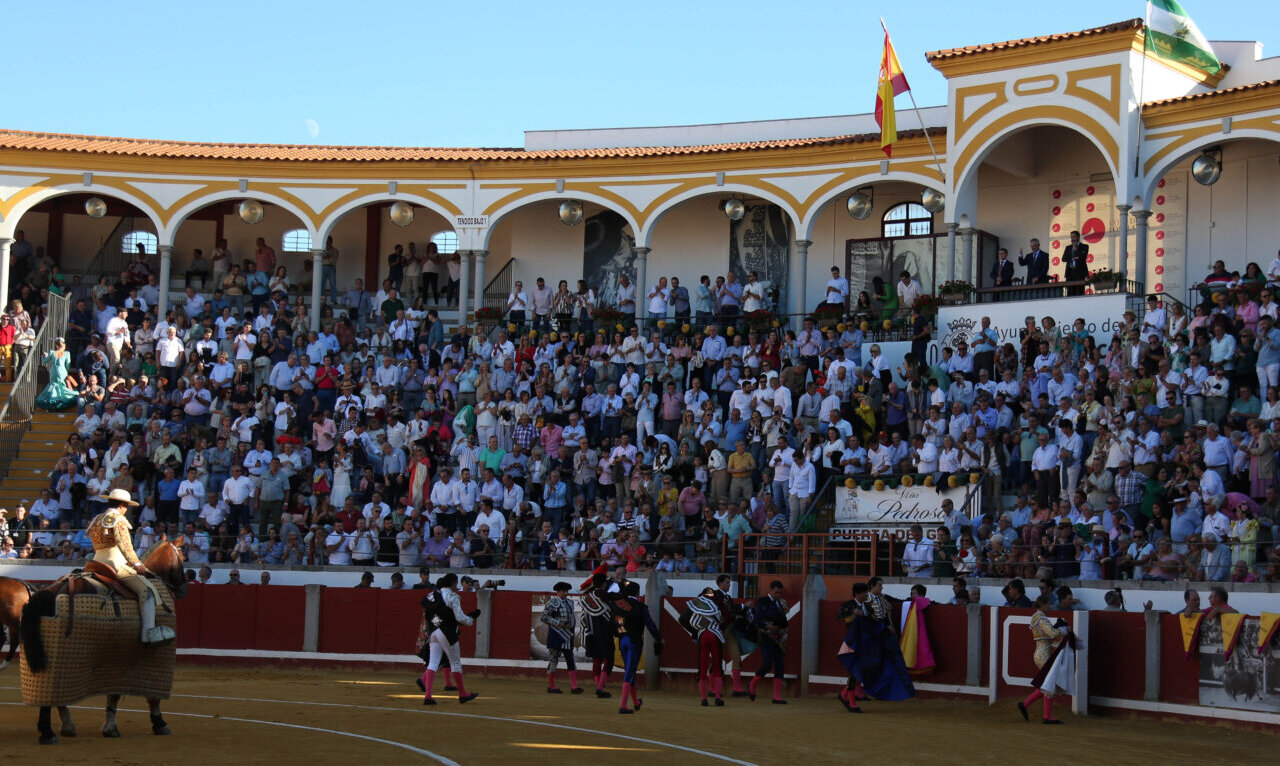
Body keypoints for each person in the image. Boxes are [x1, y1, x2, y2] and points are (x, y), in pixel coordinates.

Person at [85, 489, 177, 646]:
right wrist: (138, 565)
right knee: (147, 590)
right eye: (126, 506)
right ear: (122, 505)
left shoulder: (97, 520)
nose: (127, 510)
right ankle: (148, 633)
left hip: (94, 564)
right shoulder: (118, 520)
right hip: (115, 565)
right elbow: (125, 546)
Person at [418, 573, 481, 704]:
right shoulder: (452, 596)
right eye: (456, 583)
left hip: (434, 632)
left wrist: (438, 624)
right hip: (447, 633)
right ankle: (462, 693)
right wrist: (470, 619)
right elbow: (459, 618)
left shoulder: (432, 595)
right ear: (452, 583)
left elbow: (429, 615)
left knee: (433, 663)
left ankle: (428, 696)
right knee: (455, 663)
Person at [1017, 594, 1073, 725]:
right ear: (1043, 604)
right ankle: (1046, 716)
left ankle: (1026, 705)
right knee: (1050, 683)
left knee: (1048, 683)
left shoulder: (1038, 617)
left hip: (1042, 652)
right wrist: (1064, 629)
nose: (1050, 606)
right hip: (1043, 654)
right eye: (1048, 604)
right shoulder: (1041, 618)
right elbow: (1052, 633)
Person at [610, 579, 662, 714]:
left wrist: (621, 634)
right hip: (634, 642)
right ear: (638, 593)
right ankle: (623, 705)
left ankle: (635, 702)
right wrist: (659, 639)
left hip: (622, 641)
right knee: (629, 672)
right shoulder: (640, 607)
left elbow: (615, 623)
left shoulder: (616, 605)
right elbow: (650, 625)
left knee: (630, 671)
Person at [679, 586, 727, 706]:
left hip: (703, 635)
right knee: (717, 666)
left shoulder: (695, 604)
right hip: (715, 635)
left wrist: (695, 632)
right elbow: (723, 620)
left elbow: (682, 619)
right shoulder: (717, 602)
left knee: (703, 666)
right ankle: (717, 697)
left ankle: (703, 698)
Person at [749, 579, 790, 704]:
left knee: (780, 666)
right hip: (766, 636)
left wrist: (783, 629)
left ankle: (776, 697)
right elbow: (757, 620)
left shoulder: (781, 603)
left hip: (779, 638)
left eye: (780, 593)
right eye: (776, 592)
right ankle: (752, 685)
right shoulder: (762, 602)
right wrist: (767, 626)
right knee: (767, 665)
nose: (778, 595)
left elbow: (784, 620)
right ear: (771, 590)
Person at [541, 581, 583, 694]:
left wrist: (571, 626)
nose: (566, 593)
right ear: (558, 592)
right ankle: (551, 686)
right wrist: (558, 623)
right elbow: (544, 617)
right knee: (553, 660)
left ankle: (574, 687)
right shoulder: (552, 603)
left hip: (567, 636)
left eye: (566, 591)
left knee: (570, 660)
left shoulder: (570, 602)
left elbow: (572, 617)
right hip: (556, 634)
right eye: (563, 591)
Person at [579, 570, 616, 698]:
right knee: (608, 659)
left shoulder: (587, 598)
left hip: (591, 633)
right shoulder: (604, 597)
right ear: (604, 584)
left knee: (596, 660)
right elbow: (611, 615)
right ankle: (600, 688)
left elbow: (583, 619)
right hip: (605, 633)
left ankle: (598, 685)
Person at [35, 337, 79, 411]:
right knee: (61, 386)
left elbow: (45, 361)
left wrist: (43, 356)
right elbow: (68, 365)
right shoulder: (66, 353)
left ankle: (52, 399)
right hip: (62, 371)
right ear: (63, 345)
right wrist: (66, 372)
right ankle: (61, 400)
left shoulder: (52, 352)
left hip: (53, 370)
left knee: (53, 385)